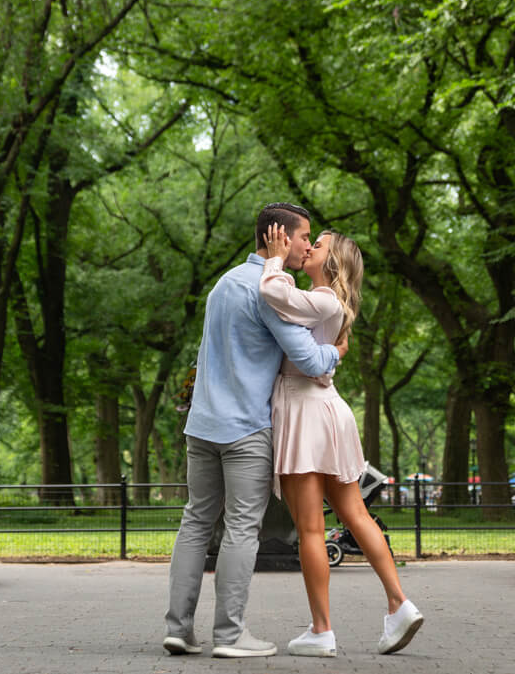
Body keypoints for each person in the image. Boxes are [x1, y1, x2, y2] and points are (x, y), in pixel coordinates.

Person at [163, 203, 344, 659]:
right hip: (245, 429)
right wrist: (338, 351)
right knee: (242, 528)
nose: (308, 246)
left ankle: (178, 629)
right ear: (278, 237)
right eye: (304, 237)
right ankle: (229, 635)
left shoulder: (224, 282)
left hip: (201, 425)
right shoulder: (271, 289)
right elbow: (310, 359)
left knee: (195, 522)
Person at [260, 223, 423, 658]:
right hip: (329, 410)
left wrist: (274, 259)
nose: (308, 247)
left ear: (332, 262)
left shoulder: (322, 299)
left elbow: (272, 292)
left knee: (311, 528)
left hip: (304, 411)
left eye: (317, 245)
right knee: (356, 515)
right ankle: (399, 603)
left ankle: (322, 630)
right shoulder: (330, 303)